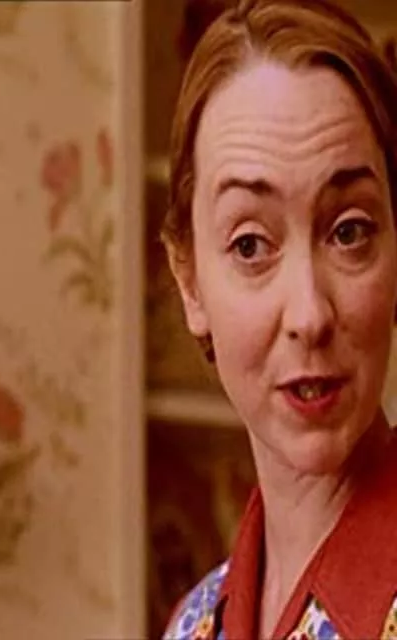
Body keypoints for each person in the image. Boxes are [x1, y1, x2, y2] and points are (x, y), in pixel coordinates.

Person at [160, 0, 397, 638]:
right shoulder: (193, 624)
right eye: (250, 245)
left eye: (349, 232)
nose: (310, 314)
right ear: (190, 281)